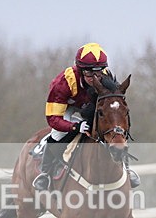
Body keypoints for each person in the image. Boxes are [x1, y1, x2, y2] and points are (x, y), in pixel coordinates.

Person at [32, 42, 140, 191]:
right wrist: (75, 126)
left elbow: (112, 107)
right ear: (81, 70)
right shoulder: (64, 83)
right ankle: (45, 173)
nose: (95, 78)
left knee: (116, 131)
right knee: (58, 134)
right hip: (67, 106)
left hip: (91, 106)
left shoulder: (106, 77)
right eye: (89, 74)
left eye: (98, 72)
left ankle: (126, 169)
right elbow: (52, 119)